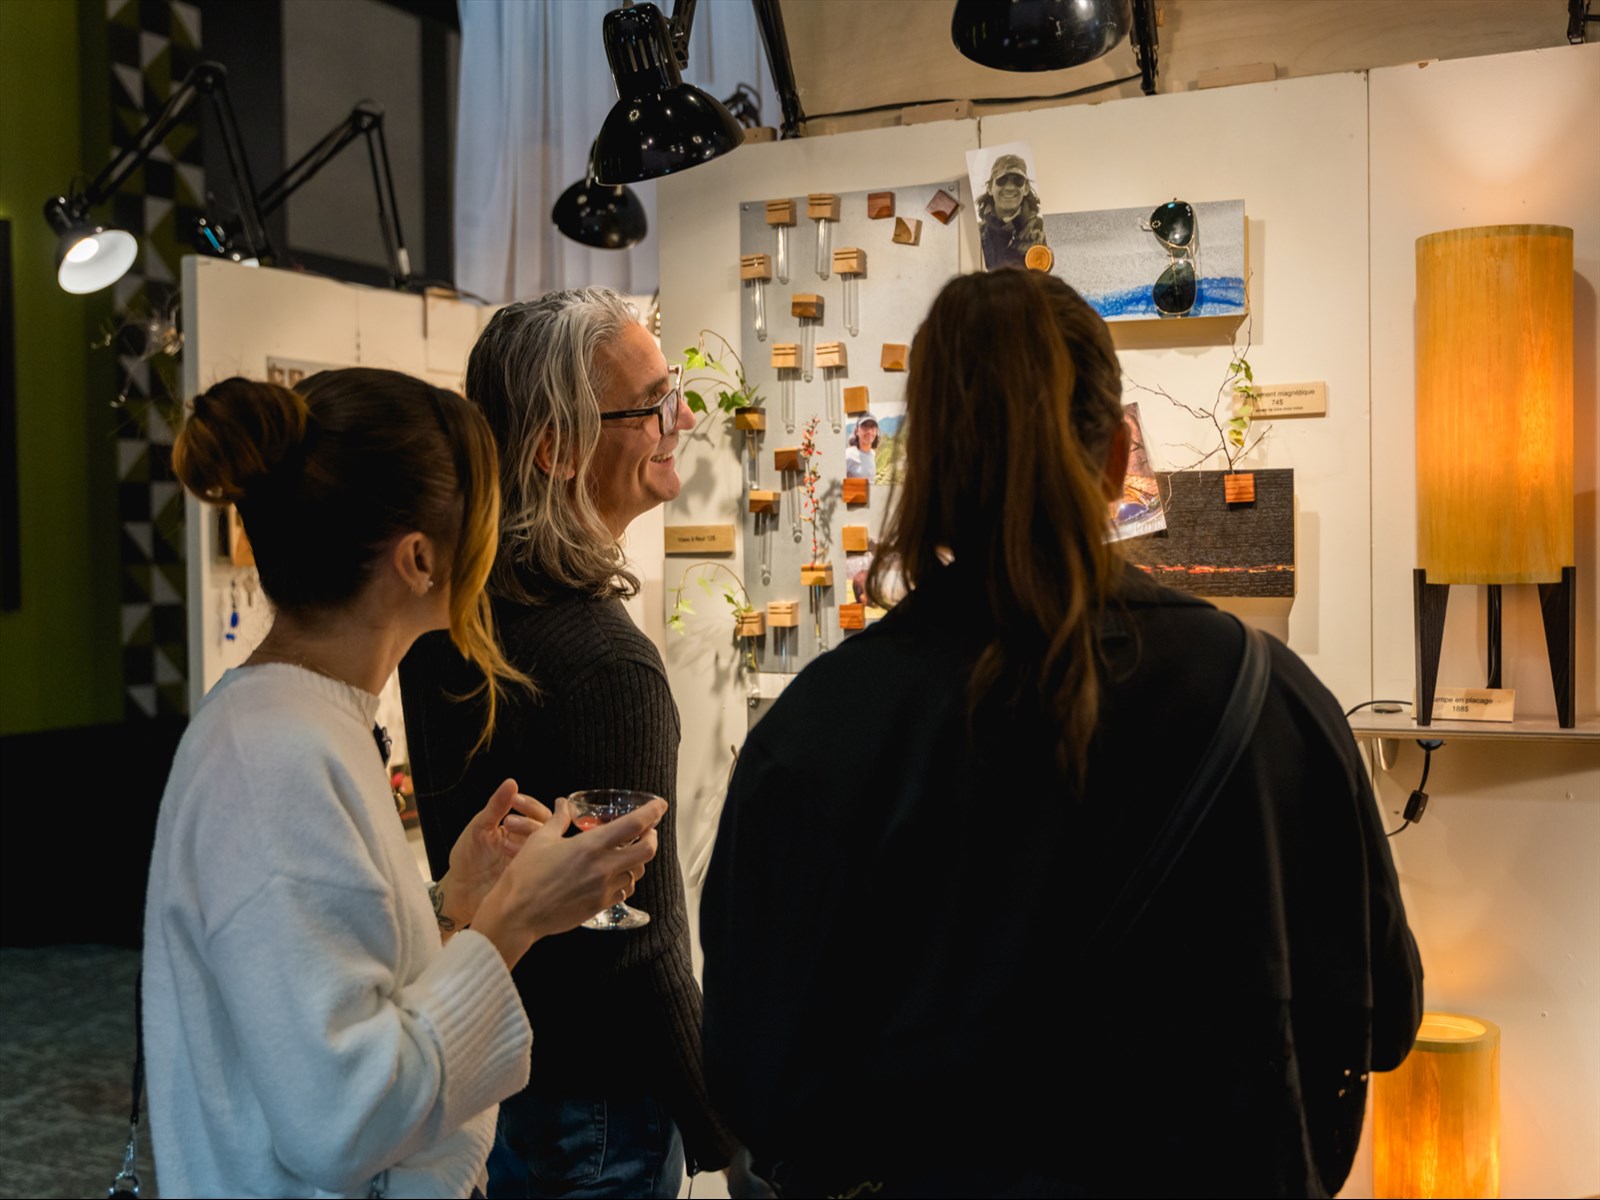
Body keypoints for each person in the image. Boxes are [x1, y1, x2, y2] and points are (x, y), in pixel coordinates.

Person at [700, 270, 1423, 1198]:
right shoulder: (1270, 697)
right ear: (1122, 453)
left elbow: (754, 1083)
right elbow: (1384, 1020)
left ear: (928, 466)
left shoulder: (817, 730)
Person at [143, 369, 667, 1199]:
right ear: (419, 559)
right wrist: (513, 919)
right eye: (488, 514)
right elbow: (344, 1116)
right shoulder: (274, 757)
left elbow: (332, 986)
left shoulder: (303, 724)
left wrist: (450, 903)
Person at [399, 289, 739, 1198]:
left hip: (486, 1063)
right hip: (594, 1109)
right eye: (652, 406)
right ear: (557, 448)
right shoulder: (604, 663)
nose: (680, 422)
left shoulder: (447, 620)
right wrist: (727, 1137)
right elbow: (640, 949)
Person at [977, 153, 1047, 270]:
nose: (1010, 187)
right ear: (990, 188)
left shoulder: (1042, 231)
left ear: (1026, 188)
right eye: (1002, 180)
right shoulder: (978, 233)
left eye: (1018, 181)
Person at [844, 414, 879, 480]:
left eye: (872, 427)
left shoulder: (872, 454)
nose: (869, 431)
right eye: (864, 426)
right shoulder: (848, 455)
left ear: (876, 431)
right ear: (857, 431)